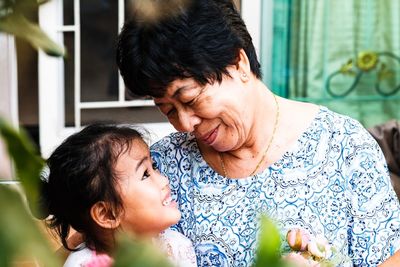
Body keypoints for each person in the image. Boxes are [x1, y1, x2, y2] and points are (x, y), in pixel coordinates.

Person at [116, 0, 400, 266]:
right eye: (168, 110)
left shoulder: (344, 146)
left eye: (190, 99)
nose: (185, 124)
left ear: (238, 63)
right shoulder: (160, 171)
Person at [39, 124, 197, 267]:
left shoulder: (177, 247)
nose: (164, 180)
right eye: (145, 174)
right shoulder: (83, 265)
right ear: (107, 214)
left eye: (154, 166)